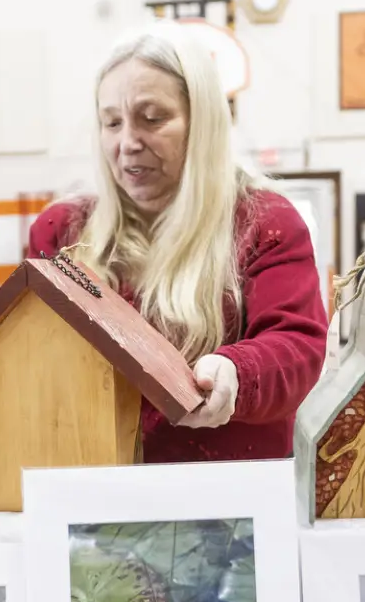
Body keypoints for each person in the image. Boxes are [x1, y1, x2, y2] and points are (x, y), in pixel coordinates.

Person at [27, 23, 327, 462]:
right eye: (112, 122)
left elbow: (295, 343)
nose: (127, 143)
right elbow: (32, 345)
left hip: (226, 499)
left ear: (202, 122)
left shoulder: (265, 223)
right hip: (93, 490)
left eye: (153, 119)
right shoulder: (62, 232)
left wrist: (236, 373)